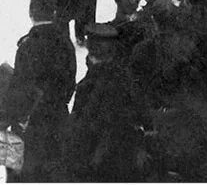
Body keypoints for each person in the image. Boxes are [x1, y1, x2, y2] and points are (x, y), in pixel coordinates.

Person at [0, 0, 76, 183]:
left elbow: (19, 88)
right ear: (54, 14)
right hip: (58, 118)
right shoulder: (66, 44)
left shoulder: (28, 46)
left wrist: (3, 118)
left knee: (25, 173)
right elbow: (70, 81)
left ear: (31, 14)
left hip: (30, 123)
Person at [60, 24, 145, 182]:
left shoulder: (88, 87)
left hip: (97, 164)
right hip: (126, 161)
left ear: (90, 53)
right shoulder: (127, 79)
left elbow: (81, 129)